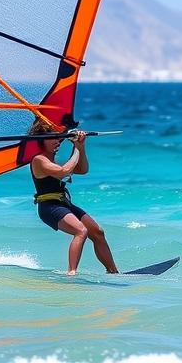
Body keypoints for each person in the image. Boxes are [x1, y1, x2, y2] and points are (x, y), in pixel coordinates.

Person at [27, 116, 118, 276]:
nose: (57, 141)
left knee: (97, 232)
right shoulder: (39, 160)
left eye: (58, 137)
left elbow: (82, 170)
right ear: (42, 140)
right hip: (49, 207)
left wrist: (80, 146)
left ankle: (113, 272)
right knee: (81, 231)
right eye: (52, 138)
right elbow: (64, 172)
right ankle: (71, 273)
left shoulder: (54, 161)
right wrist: (75, 148)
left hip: (63, 203)